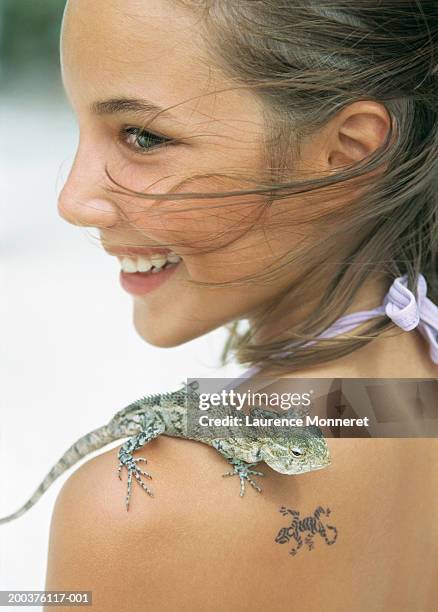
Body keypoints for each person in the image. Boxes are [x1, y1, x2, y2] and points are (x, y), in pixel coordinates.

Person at [45, 1, 438, 610]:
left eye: (143, 136)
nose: (73, 200)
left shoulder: (137, 514)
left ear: (348, 151)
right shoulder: (412, 395)